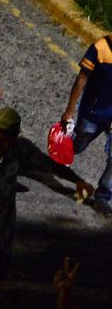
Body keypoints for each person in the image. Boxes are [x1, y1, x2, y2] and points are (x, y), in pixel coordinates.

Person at [0, 106, 93, 301]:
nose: (5, 145)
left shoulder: (19, 149)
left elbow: (49, 165)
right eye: (2, 139)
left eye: (10, 140)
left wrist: (76, 180)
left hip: (1, 233)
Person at [62, 33, 112, 215]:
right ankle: (54, 161)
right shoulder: (100, 47)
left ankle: (103, 196)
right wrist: (69, 110)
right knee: (77, 145)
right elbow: (82, 78)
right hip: (92, 112)